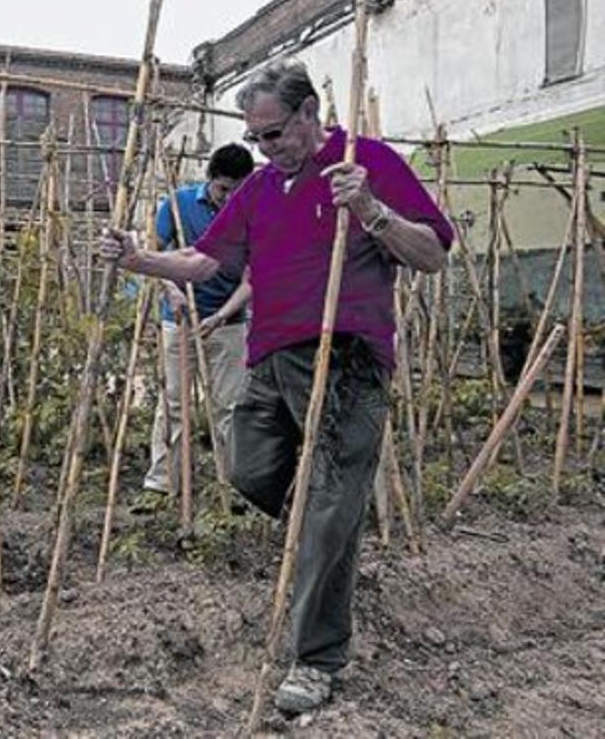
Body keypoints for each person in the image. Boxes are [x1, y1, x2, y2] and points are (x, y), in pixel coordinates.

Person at [99, 60, 453, 714]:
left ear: (310, 112)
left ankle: (316, 658)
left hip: (346, 359)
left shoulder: (364, 161)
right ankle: (330, 513)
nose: (266, 147)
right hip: (273, 362)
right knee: (248, 468)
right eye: (257, 137)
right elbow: (204, 259)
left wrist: (371, 210)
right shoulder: (260, 190)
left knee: (324, 514)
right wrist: (137, 258)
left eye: (275, 133)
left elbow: (432, 251)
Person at [137, 143, 253, 506]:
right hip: (180, 320)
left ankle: (235, 488)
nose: (228, 198)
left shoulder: (252, 214)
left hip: (229, 322)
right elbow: (152, 255)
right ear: (210, 180)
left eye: (237, 191)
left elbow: (254, 278)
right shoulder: (177, 204)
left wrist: (221, 315)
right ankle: (161, 485)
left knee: (230, 406)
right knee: (173, 402)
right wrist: (171, 290)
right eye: (223, 189)